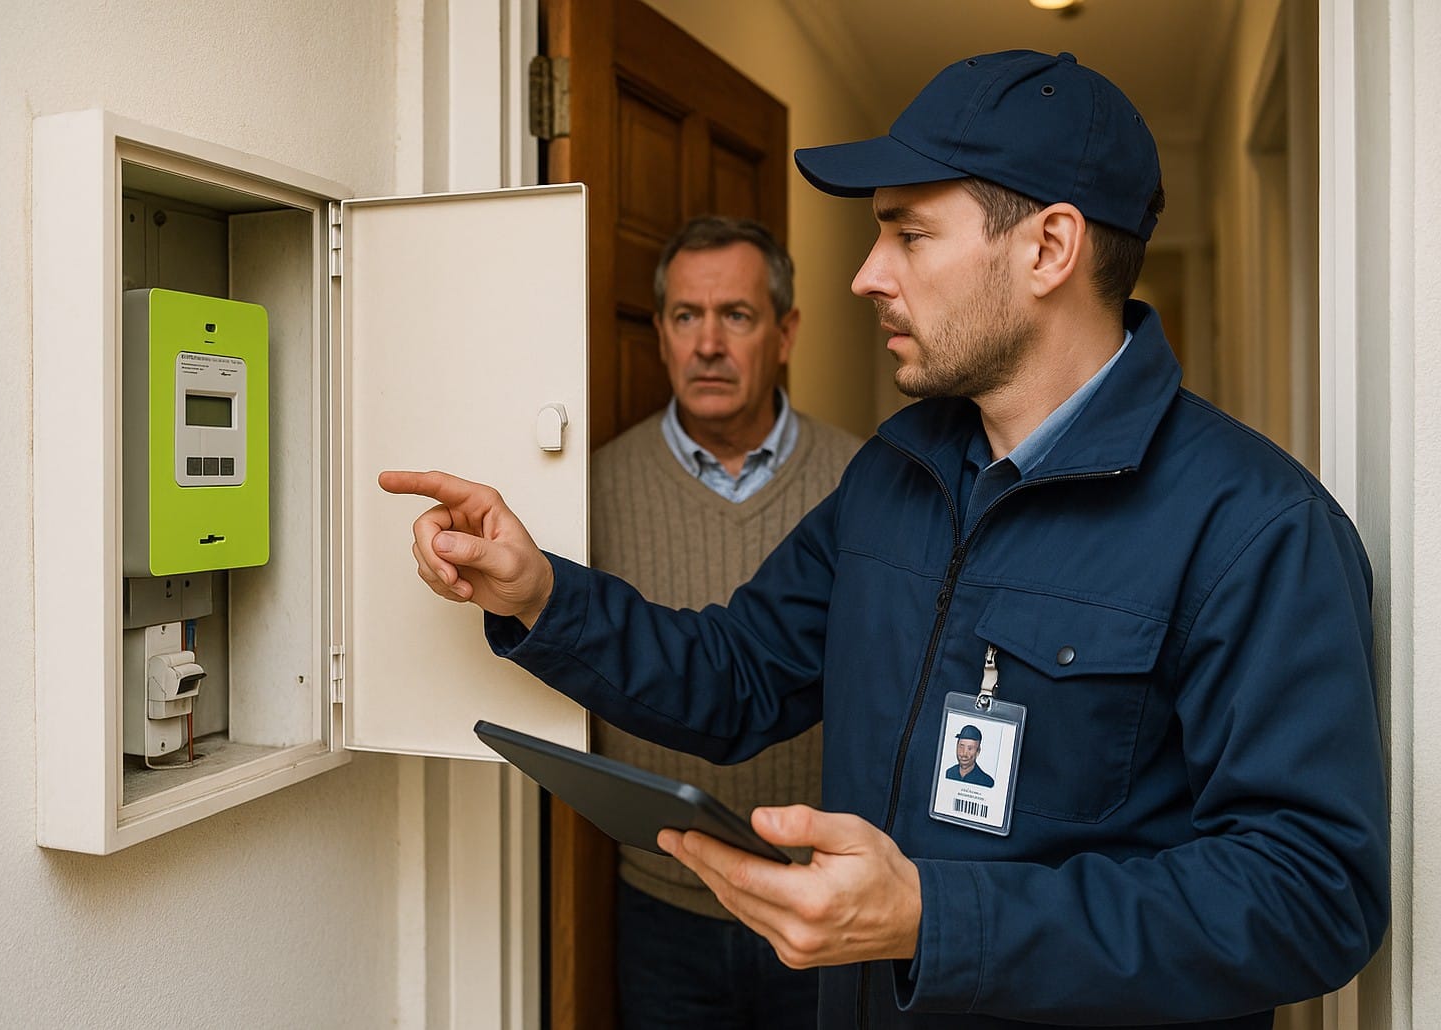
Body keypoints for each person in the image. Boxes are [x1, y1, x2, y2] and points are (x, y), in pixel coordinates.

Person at [380, 49, 1388, 1029]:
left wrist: (934, 919)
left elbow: (1310, 892)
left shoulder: (1255, 526)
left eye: (908, 236)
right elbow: (738, 675)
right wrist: (539, 595)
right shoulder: (894, 473)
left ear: (1048, 247)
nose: (866, 276)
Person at [591, 214, 859, 1029]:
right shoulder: (594, 487)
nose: (708, 343)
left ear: (784, 333)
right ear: (662, 336)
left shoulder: (865, 482)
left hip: (821, 911)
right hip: (661, 908)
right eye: (685, 316)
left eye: (736, 316)